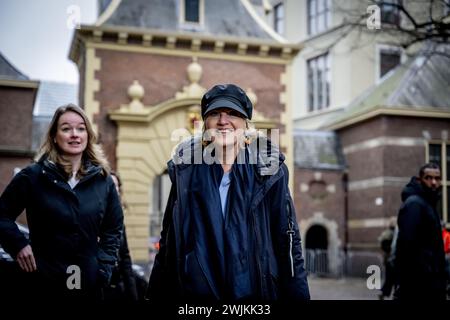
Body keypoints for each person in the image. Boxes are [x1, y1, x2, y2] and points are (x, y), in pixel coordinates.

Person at [146, 84, 310, 303]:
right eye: (215, 114)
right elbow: (169, 240)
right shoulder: (185, 170)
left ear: (245, 123)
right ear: (206, 124)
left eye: (233, 113)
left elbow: (288, 243)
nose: (223, 121)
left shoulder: (270, 172)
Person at [0, 104, 124, 299]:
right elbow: (2, 216)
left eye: (81, 128)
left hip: (88, 285)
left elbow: (113, 229)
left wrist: (103, 268)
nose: (74, 134)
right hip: (42, 282)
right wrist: (18, 245)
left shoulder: (104, 181)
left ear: (88, 136)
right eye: (66, 129)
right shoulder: (33, 176)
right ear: (54, 137)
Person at [393, 163, 447, 300]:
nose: (434, 182)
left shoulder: (427, 203)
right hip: (420, 286)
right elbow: (407, 245)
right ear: (420, 180)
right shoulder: (415, 204)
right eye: (428, 178)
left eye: (437, 178)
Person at [103, 171, 139, 300]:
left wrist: (133, 295)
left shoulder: (118, 220)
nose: (115, 190)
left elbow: (125, 258)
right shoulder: (91, 216)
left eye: (117, 186)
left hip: (118, 290)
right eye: (111, 185)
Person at [378, 218, 396, 299]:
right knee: (392, 278)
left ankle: (384, 293)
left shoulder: (386, 233)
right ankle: (390, 294)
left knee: (389, 278)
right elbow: (385, 246)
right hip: (391, 259)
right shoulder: (392, 233)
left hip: (388, 259)